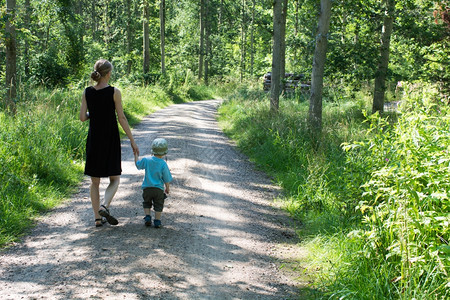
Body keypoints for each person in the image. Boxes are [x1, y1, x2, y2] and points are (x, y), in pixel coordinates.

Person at [79, 59, 139, 227]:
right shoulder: (115, 92)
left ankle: (97, 219)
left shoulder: (87, 92)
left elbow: (83, 117)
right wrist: (132, 141)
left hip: (94, 140)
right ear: (108, 74)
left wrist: (94, 113)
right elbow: (121, 118)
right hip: (110, 139)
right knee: (114, 178)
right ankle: (104, 206)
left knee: (94, 182)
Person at [134, 138, 173, 228]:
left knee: (146, 202)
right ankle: (157, 221)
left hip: (147, 188)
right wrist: (167, 188)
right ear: (165, 152)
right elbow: (166, 178)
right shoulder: (163, 164)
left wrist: (136, 155)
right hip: (158, 189)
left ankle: (147, 217)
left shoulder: (146, 160)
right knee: (158, 204)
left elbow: (138, 165)